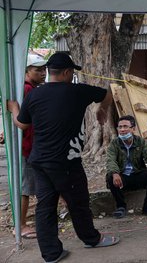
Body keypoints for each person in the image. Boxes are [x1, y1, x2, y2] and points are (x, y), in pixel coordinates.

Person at [7, 52, 119, 263]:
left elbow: (22, 124)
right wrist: (101, 110)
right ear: (67, 72)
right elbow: (108, 94)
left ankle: (51, 254)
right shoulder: (78, 91)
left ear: (49, 72)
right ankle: (91, 239)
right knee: (78, 202)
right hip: (66, 162)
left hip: (38, 160)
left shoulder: (34, 95)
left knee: (45, 206)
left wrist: (14, 109)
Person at [106, 115, 147, 218]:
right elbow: (110, 160)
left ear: (133, 129)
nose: (122, 130)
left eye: (125, 127)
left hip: (137, 174)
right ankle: (121, 207)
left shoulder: (141, 142)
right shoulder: (114, 143)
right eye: (120, 127)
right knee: (110, 176)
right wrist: (115, 173)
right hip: (122, 177)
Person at [18, 54, 47, 239]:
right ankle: (20, 226)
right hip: (28, 147)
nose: (43, 73)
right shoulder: (28, 89)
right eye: (38, 70)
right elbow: (25, 122)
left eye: (44, 69)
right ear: (27, 71)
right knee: (26, 188)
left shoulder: (31, 88)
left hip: (33, 146)